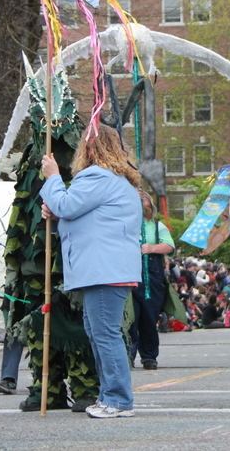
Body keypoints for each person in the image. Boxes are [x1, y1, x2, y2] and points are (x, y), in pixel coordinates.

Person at [40, 126, 141, 419]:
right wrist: (57, 210)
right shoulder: (116, 180)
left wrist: (53, 178)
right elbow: (79, 213)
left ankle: (118, 399)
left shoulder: (97, 176)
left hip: (103, 269)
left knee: (105, 334)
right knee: (100, 333)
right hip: (109, 267)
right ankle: (110, 395)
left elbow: (68, 205)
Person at [130, 191, 175, 370]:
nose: (142, 202)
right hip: (130, 275)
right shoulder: (127, 224)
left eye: (144, 199)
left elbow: (169, 246)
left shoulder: (157, 226)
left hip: (152, 277)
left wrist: (151, 248)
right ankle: (129, 354)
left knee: (149, 318)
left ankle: (149, 356)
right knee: (131, 318)